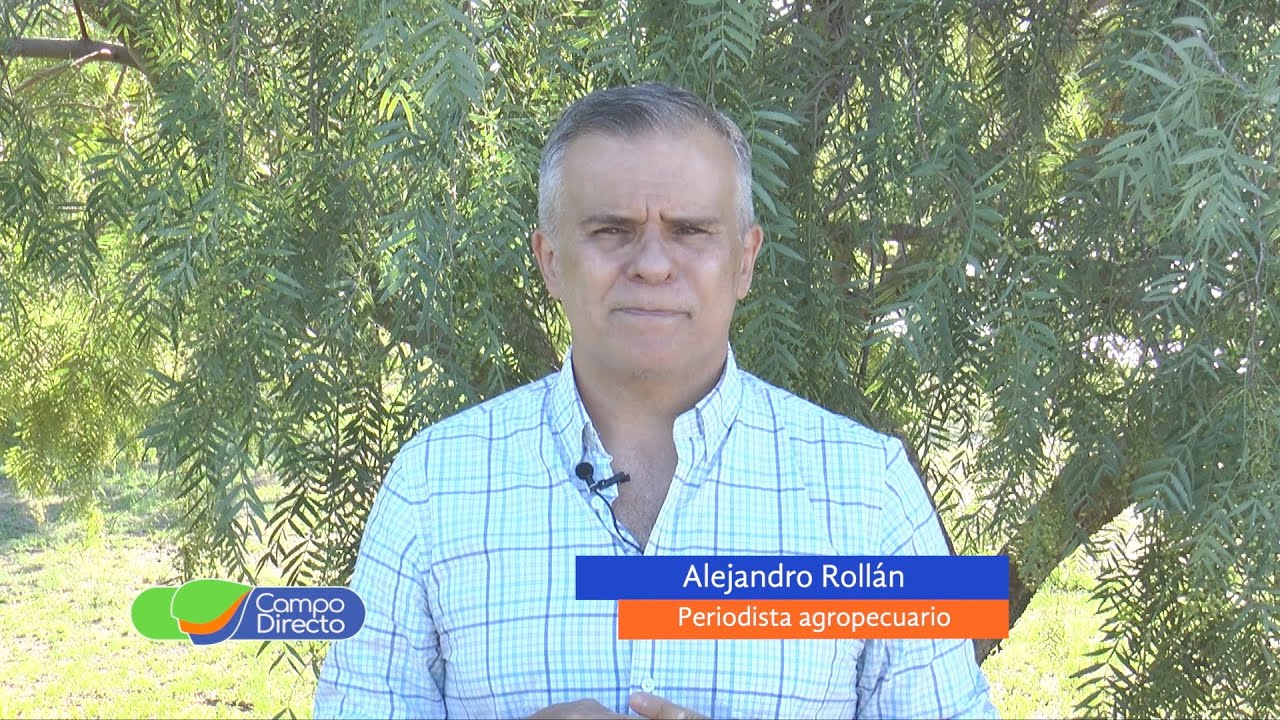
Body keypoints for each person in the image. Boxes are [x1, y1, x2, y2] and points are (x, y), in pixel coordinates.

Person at [313, 83, 997, 719]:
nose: (651, 263)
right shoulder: (432, 487)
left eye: (690, 230)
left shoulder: (870, 493)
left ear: (745, 260)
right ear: (550, 261)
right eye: (611, 230)